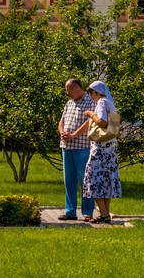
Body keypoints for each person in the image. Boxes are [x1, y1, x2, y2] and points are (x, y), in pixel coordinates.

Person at [82, 80, 121, 223]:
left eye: (91, 92)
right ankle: (105, 214)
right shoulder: (110, 102)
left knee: (93, 178)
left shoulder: (101, 102)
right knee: (106, 181)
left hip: (100, 149)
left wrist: (91, 114)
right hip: (110, 148)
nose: (90, 95)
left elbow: (102, 122)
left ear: (98, 92)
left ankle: (104, 214)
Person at [57, 78, 95, 221]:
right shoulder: (69, 103)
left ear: (77, 87)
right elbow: (62, 121)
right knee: (69, 181)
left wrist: (73, 135)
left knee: (85, 179)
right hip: (67, 147)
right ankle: (70, 211)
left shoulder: (90, 102)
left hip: (82, 147)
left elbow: (89, 123)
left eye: (69, 89)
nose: (67, 93)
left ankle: (87, 212)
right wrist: (62, 133)